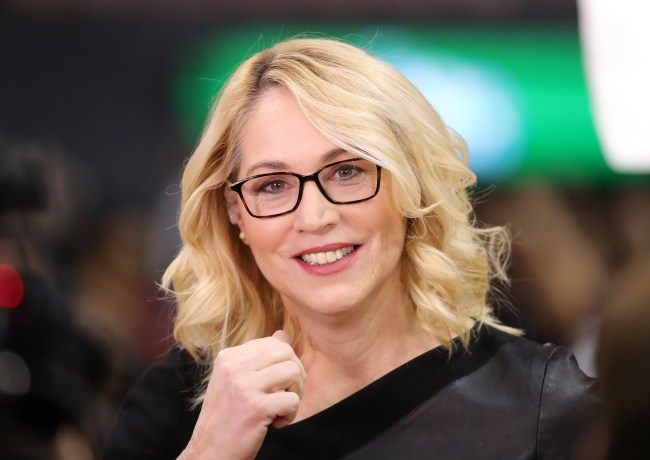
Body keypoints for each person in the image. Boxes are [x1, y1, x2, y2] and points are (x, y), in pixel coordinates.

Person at [102, 37, 597, 460]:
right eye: (273, 185)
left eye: (347, 171)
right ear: (236, 214)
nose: (314, 216)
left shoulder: (542, 405)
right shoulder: (178, 406)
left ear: (411, 186)